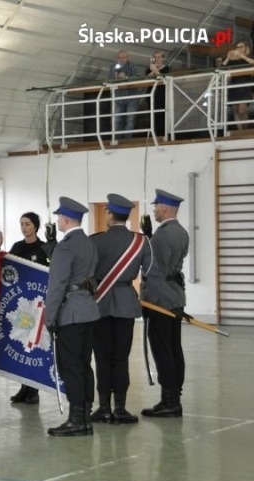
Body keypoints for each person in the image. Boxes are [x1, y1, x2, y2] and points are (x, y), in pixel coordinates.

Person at [90, 195, 152, 424]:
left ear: (109, 214)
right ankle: (121, 409)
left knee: (103, 357)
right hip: (126, 302)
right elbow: (151, 271)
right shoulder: (141, 241)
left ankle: (104, 407)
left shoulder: (94, 241)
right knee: (121, 357)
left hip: (100, 303)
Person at [44, 197, 100, 436]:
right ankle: (85, 416)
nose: (57, 221)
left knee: (70, 367)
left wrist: (50, 317)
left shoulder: (65, 246)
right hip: (88, 310)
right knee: (84, 364)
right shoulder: (88, 243)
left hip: (71, 313)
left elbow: (57, 284)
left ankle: (77, 419)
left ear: (65, 220)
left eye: (59, 218)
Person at [141, 189, 189, 418]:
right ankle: (173, 397)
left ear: (163, 208)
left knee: (162, 350)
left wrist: (148, 241)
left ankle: (169, 402)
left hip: (160, 300)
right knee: (174, 348)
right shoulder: (181, 232)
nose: (153, 211)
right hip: (176, 297)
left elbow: (155, 270)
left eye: (155, 207)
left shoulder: (161, 236)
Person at [6, 212, 53, 405]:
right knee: (23, 345)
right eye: (22, 224)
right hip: (22, 304)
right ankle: (24, 387)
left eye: (27, 224)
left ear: (35, 226)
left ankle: (34, 390)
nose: (24, 228)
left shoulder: (44, 248)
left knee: (34, 346)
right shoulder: (17, 247)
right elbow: (10, 269)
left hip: (38, 305)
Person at [222, 41, 254, 130]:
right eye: (237, 47)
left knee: (242, 110)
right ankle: (240, 130)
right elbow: (222, 67)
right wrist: (228, 57)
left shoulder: (248, 57)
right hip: (234, 85)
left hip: (244, 85)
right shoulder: (233, 60)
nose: (239, 49)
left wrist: (242, 56)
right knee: (235, 110)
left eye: (241, 47)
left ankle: (246, 129)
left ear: (245, 48)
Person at [108, 50, 139, 138]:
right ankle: (117, 139)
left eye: (123, 57)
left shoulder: (132, 65)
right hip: (118, 97)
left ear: (127, 58)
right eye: (119, 58)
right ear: (117, 58)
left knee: (130, 119)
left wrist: (125, 77)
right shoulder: (113, 66)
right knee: (117, 120)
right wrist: (115, 77)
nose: (121, 60)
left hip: (131, 96)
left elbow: (136, 79)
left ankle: (127, 138)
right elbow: (109, 80)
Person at [144, 50, 170, 138]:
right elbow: (145, 79)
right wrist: (153, 70)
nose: (157, 59)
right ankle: (153, 133)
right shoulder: (149, 68)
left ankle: (163, 134)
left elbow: (164, 79)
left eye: (159, 57)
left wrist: (156, 70)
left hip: (162, 93)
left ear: (163, 58)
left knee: (162, 113)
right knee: (152, 114)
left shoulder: (166, 68)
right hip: (152, 93)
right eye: (155, 57)